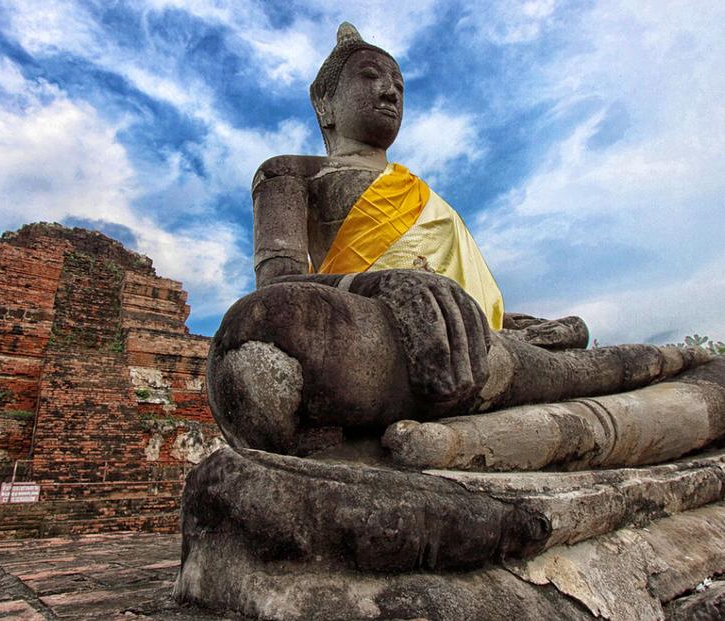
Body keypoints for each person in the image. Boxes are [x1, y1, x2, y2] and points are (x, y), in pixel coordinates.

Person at [207, 23, 708, 456]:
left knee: (569, 334)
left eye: (398, 83)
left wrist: (506, 321)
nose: (390, 91)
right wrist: (378, 284)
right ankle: (679, 365)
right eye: (370, 77)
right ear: (324, 103)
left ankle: (675, 364)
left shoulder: (421, 191)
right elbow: (278, 285)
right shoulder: (288, 175)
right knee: (270, 335)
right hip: (380, 327)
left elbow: (447, 284)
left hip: (467, 332)